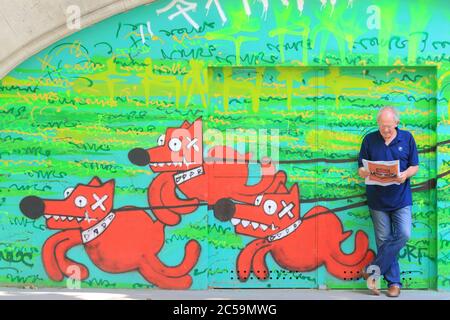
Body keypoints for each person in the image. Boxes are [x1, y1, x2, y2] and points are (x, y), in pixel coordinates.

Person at [357, 106, 419, 297]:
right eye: (382, 126)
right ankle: (394, 284)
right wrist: (364, 172)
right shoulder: (369, 139)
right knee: (383, 242)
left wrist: (405, 174)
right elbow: (360, 167)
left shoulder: (407, 138)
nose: (385, 130)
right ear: (378, 123)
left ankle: (371, 270)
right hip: (377, 200)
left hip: (401, 199)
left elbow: (414, 166)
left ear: (397, 123)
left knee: (404, 234)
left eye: (389, 127)